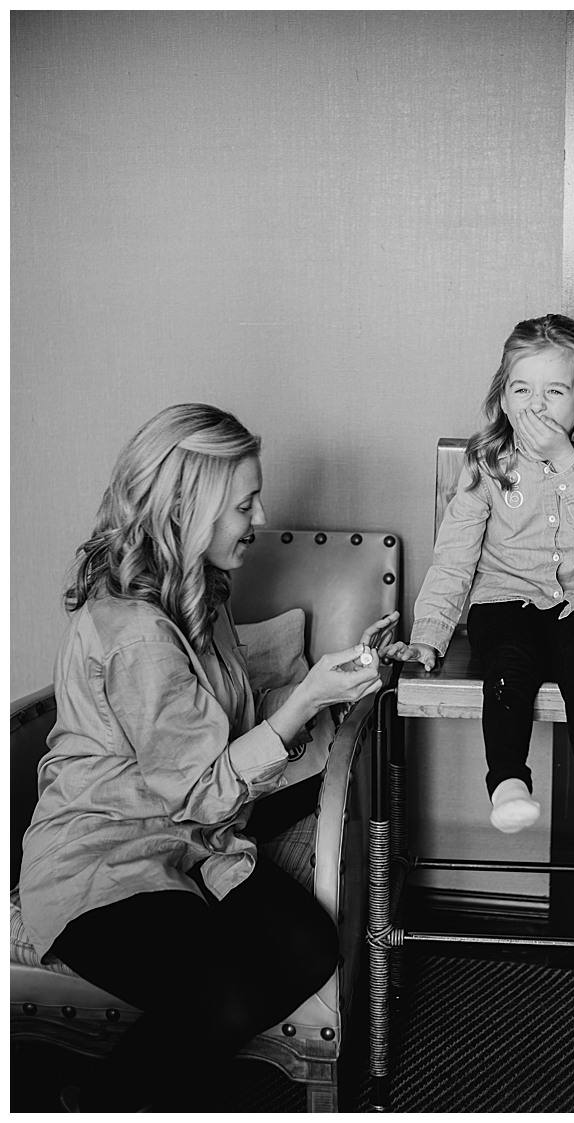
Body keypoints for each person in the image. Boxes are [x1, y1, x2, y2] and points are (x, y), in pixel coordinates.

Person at [18, 403, 397, 1112]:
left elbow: (229, 720)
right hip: (106, 861)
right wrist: (307, 698)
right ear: (187, 505)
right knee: (227, 993)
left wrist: (337, 683)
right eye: (245, 502)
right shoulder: (134, 633)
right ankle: (90, 1102)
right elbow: (204, 787)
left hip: (194, 839)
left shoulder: (200, 593)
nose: (259, 517)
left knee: (311, 946)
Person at [384, 313, 574, 861]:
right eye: (522, 389)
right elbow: (454, 558)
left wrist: (567, 461)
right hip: (504, 599)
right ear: (503, 396)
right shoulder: (488, 460)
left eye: (554, 391)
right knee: (508, 667)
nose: (535, 406)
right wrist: (429, 634)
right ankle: (508, 783)